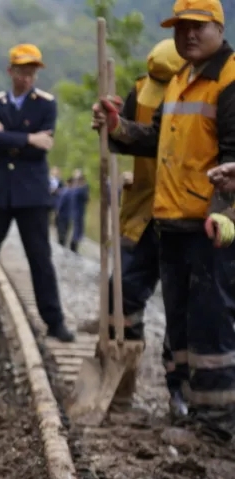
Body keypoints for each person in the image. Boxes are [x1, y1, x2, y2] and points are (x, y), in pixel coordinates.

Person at [93, 0, 235, 440]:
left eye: (197, 27)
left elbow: (232, 155)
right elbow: (156, 140)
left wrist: (225, 213)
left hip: (209, 226)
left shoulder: (229, 79)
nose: (188, 34)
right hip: (170, 220)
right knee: (180, 324)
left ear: (219, 28)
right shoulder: (179, 80)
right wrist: (118, 127)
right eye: (181, 27)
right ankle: (187, 407)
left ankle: (216, 423)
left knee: (210, 323)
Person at [0, 43, 76, 344]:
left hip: (32, 196)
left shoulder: (46, 104)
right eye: (22, 71)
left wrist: (6, 135)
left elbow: (42, 147)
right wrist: (28, 138)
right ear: (10, 71)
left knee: (40, 259)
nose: (27, 77)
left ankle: (55, 321)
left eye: (32, 72)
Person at [101, 39, 185, 415]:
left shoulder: (210, 96)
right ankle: (120, 388)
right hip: (142, 213)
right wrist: (109, 126)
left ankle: (181, 396)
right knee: (121, 297)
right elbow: (131, 138)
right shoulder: (140, 90)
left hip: (186, 217)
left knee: (183, 309)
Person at [55, 169, 89, 252]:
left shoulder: (79, 189)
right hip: (70, 213)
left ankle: (71, 246)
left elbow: (85, 198)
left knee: (72, 230)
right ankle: (68, 246)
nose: (76, 181)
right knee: (67, 231)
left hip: (73, 213)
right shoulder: (71, 190)